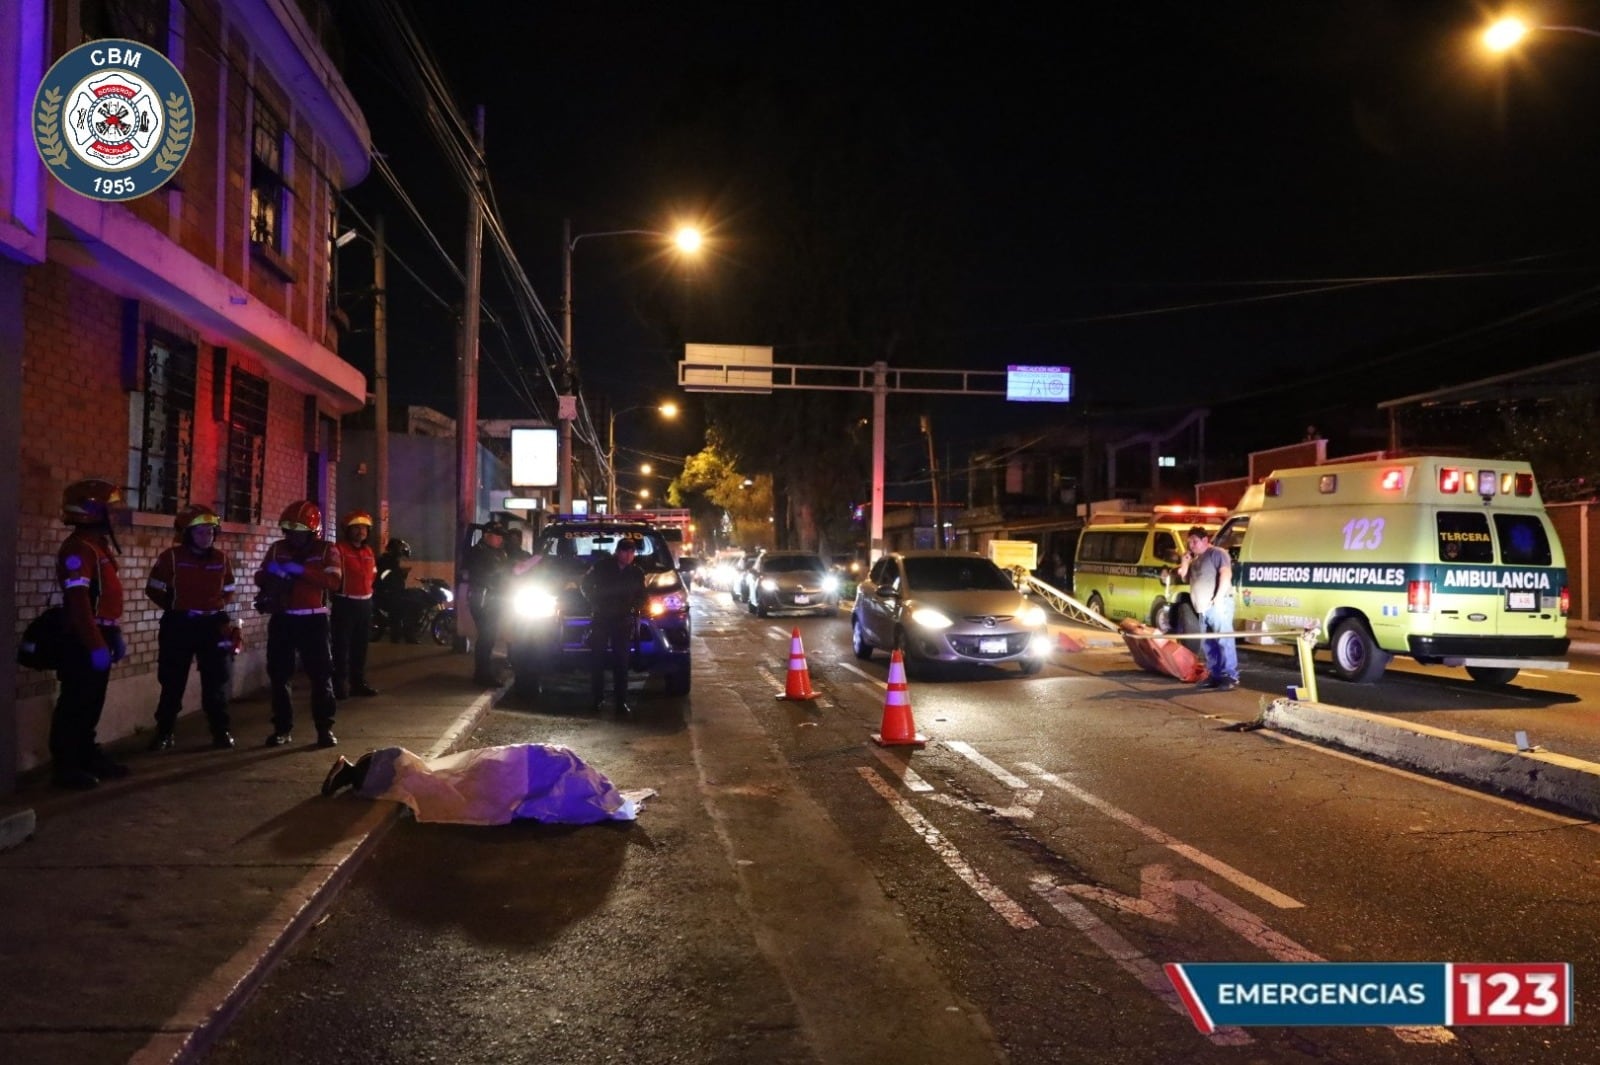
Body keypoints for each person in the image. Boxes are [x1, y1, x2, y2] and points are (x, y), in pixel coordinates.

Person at [51, 479, 131, 789]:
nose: (117, 515)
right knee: (76, 702)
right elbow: (79, 601)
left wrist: (113, 635)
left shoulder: (97, 547)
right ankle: (66, 766)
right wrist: (95, 643)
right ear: (92, 513)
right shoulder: (77, 550)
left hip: (101, 633)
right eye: (111, 510)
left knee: (91, 702)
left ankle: (86, 755)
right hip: (84, 639)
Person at [145, 504, 237, 751]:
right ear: (186, 534)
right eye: (200, 532)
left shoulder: (221, 559)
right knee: (172, 682)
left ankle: (221, 731)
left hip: (212, 625)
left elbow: (229, 589)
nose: (206, 536)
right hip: (180, 624)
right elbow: (153, 588)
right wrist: (176, 607)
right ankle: (164, 733)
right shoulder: (171, 558)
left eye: (210, 531)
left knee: (216, 682)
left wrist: (217, 608)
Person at [254, 500, 344, 748]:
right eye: (290, 529)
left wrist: (300, 570)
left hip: (313, 619)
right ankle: (282, 729)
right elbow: (260, 576)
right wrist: (275, 571)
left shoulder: (327, 550)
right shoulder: (277, 549)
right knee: (279, 675)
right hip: (283, 618)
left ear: (311, 530)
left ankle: (324, 729)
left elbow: (334, 582)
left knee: (320, 675)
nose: (293, 534)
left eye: (299, 530)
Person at [581, 537, 647, 714]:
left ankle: (621, 701)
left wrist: (635, 608)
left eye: (632, 552)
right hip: (602, 618)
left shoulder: (636, 572)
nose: (628, 555)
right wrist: (594, 601)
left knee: (622, 663)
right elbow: (585, 584)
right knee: (598, 661)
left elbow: (642, 595)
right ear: (618, 552)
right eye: (625, 551)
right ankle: (597, 699)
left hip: (622, 620)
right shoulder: (603, 566)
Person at [1178, 525, 1238, 692]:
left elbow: (1225, 574)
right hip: (1203, 608)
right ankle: (1214, 674)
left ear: (1205, 540)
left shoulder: (1217, 553)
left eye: (1195, 541)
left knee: (1223, 639)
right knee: (1209, 643)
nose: (1191, 545)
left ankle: (1229, 675)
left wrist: (1218, 597)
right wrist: (1185, 562)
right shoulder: (1196, 559)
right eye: (1189, 542)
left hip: (1218, 604)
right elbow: (1185, 578)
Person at [331, 510, 379, 698]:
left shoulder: (368, 551)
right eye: (356, 527)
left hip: (365, 604)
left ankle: (358, 683)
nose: (361, 531)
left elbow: (373, 574)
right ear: (348, 530)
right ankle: (339, 685)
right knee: (341, 646)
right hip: (345, 603)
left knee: (361, 646)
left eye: (364, 528)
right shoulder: (339, 550)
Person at [463, 521, 510, 686]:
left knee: (489, 638)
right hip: (483, 599)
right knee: (486, 637)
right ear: (488, 536)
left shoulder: (496, 552)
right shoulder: (480, 552)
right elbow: (487, 574)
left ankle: (483, 673)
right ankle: (482, 674)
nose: (500, 540)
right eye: (498, 536)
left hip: (493, 598)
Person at [375, 537, 417, 643]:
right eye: (400, 554)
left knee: (411, 599)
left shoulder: (392, 562)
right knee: (403, 608)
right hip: (385, 594)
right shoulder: (386, 561)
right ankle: (402, 636)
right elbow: (385, 578)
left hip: (392, 592)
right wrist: (399, 574)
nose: (401, 558)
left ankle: (401, 635)